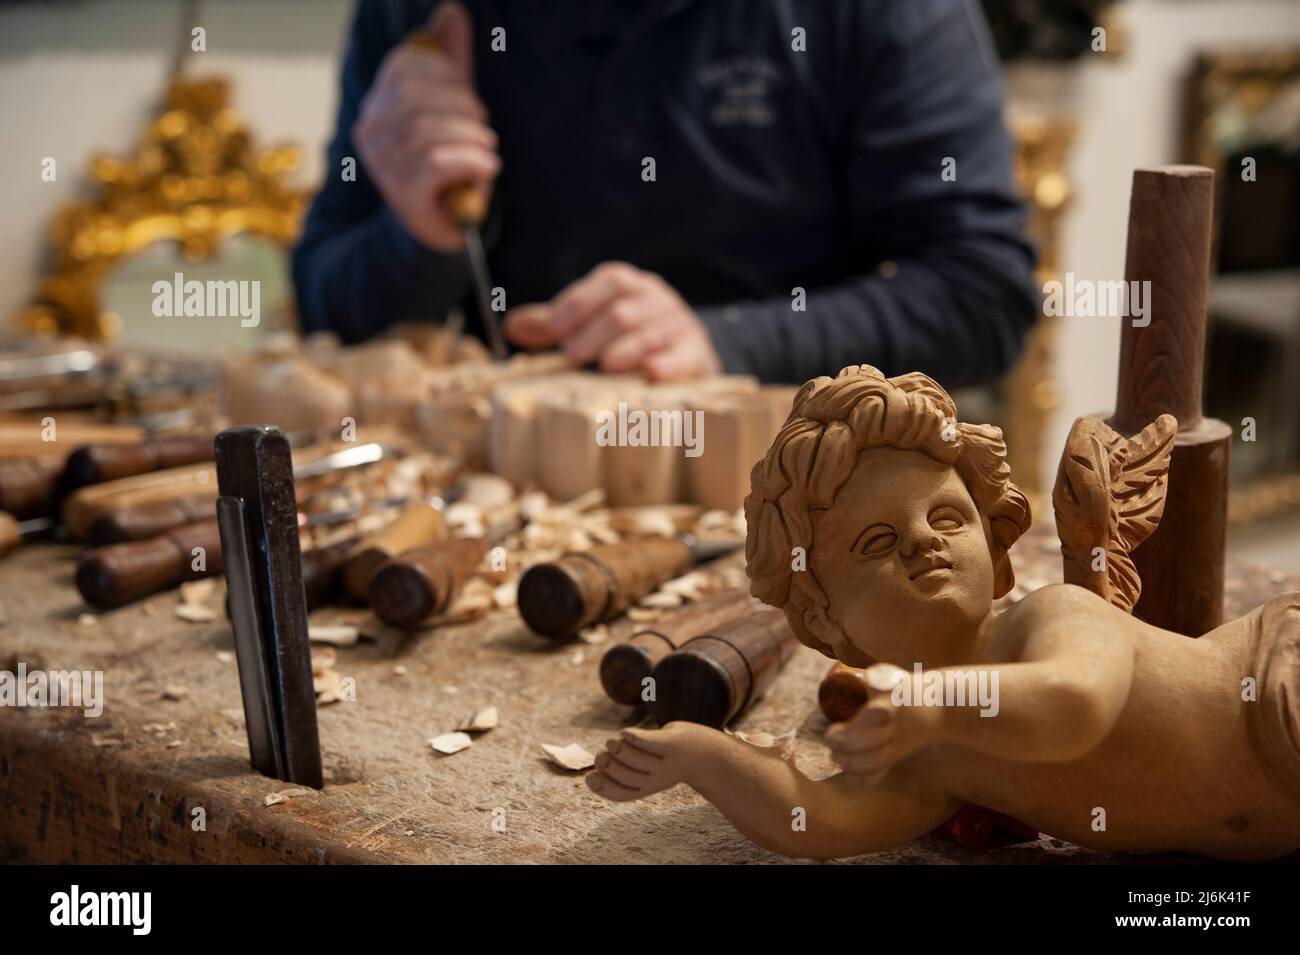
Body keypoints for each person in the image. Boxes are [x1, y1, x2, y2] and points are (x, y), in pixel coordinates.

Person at [294, 0, 1039, 386]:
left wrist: (724, 341)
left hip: (797, 503)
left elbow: (982, 295)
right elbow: (323, 299)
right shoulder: (422, 12)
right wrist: (415, 236)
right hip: (493, 493)